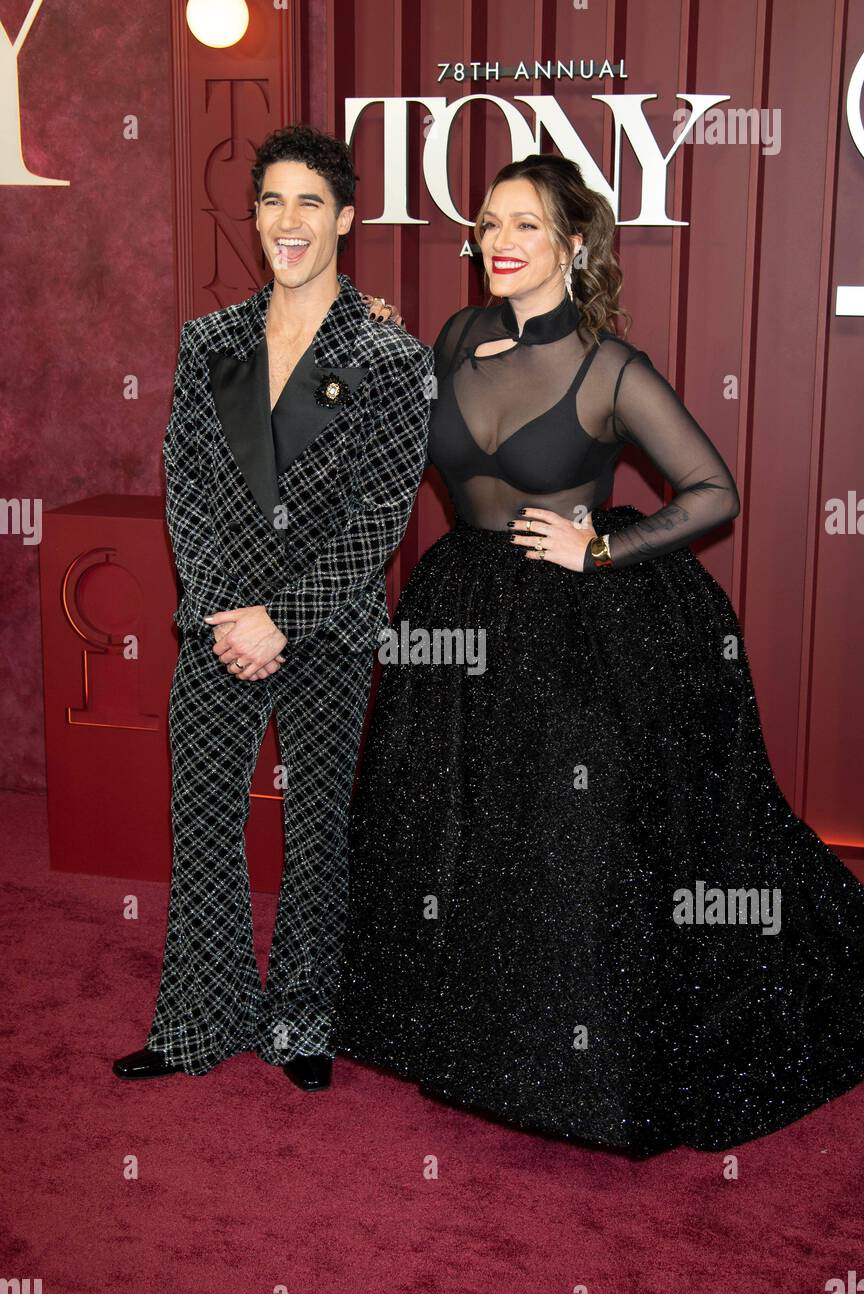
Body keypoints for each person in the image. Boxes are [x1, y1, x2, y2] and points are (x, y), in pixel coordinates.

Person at [330, 152, 864, 1156]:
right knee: (451, 823)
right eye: (489, 223)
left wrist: (601, 544)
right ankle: (456, 1032)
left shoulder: (608, 366)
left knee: (567, 848)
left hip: (573, 626)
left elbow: (715, 491)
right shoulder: (454, 337)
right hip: (460, 610)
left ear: (574, 249)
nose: (500, 241)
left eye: (525, 226)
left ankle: (571, 1069)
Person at [113, 125, 433, 1090]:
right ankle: (198, 1023)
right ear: (253, 220)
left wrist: (280, 617)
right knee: (203, 816)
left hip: (325, 626)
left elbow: (378, 517)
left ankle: (300, 1021)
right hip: (218, 624)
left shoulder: (390, 357)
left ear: (343, 218)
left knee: (317, 826)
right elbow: (187, 487)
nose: (286, 222)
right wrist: (220, 610)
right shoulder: (208, 342)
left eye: (308, 203)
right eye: (270, 203)